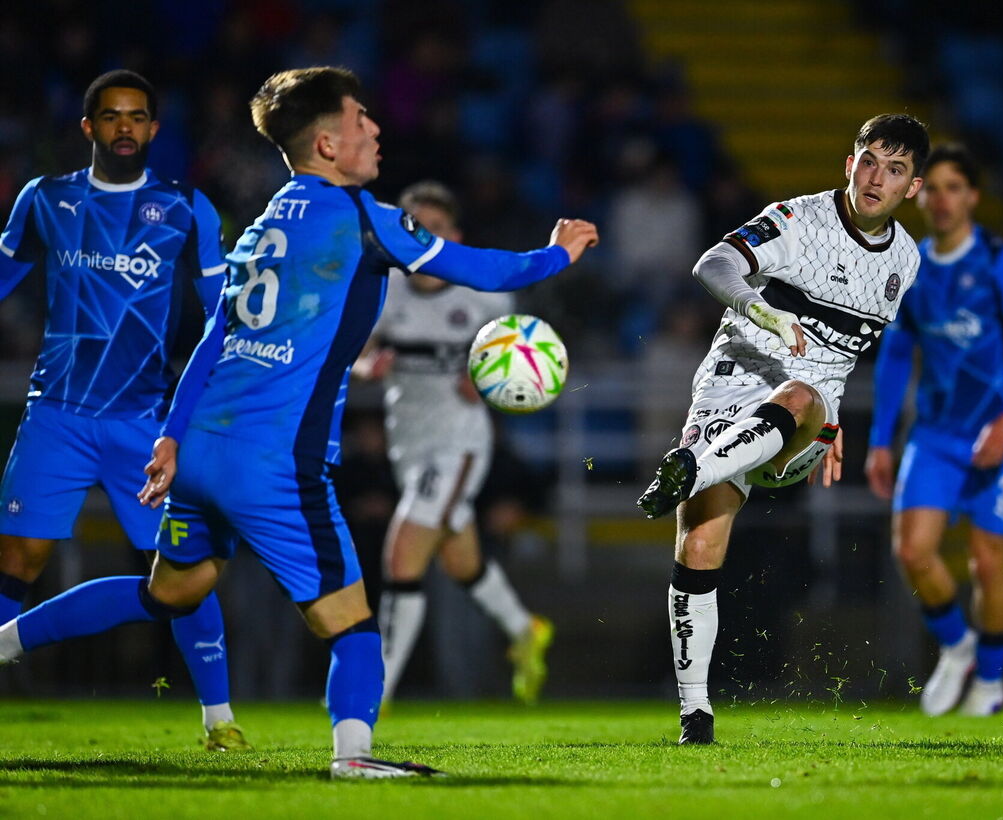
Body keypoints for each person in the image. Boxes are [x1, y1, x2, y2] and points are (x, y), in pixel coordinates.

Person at [0, 67, 598, 779]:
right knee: (352, 625)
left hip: (199, 452)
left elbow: (212, 341)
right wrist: (557, 252)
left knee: (170, 591)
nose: (375, 130)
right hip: (273, 464)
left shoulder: (261, 224)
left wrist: (170, 435)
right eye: (360, 121)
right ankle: (355, 758)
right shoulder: (361, 217)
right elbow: (480, 270)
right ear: (326, 143)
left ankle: (4, 641)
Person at [636, 114, 929, 744]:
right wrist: (760, 308)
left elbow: (848, 351)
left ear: (913, 187)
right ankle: (696, 714)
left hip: (804, 411)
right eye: (870, 160)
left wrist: (833, 415)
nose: (877, 177)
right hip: (730, 382)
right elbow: (711, 266)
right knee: (699, 546)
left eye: (895, 169)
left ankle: (692, 467)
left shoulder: (905, 261)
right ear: (849, 163)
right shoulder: (798, 221)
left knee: (798, 395)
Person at [0, 70, 247, 751]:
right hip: (56, 411)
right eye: (111, 117)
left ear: (155, 129)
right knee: (17, 556)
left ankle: (219, 721)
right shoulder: (45, 200)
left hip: (143, 420)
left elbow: (223, 316)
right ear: (89, 128)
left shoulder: (186, 209)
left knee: (182, 567)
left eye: (138, 116)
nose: (125, 127)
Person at [865, 144, 1003, 717]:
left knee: (988, 564)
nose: (944, 199)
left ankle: (991, 684)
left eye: (956, 187)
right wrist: (879, 438)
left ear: (972, 196)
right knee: (913, 552)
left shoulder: (1002, 263)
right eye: (935, 188)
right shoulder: (909, 266)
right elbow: (897, 355)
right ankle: (957, 645)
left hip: (998, 437)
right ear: (918, 194)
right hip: (936, 434)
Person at [354, 180, 553, 706]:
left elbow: (526, 368)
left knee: (402, 557)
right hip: (407, 442)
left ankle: (378, 690)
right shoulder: (384, 288)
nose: (423, 237)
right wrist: (366, 366)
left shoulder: (484, 295)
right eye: (415, 227)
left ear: (455, 238)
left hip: (458, 443)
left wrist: (488, 381)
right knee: (460, 560)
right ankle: (524, 629)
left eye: (436, 229)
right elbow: (355, 353)